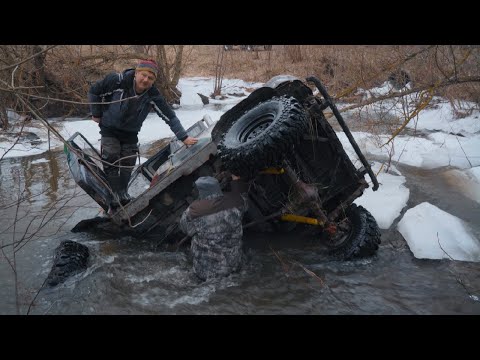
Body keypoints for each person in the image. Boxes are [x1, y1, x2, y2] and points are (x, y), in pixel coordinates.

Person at [88, 59, 197, 212]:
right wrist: (96, 113)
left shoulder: (153, 95)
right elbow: (94, 91)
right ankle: (114, 197)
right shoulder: (117, 81)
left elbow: (170, 116)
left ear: (153, 81)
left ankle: (122, 194)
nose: (145, 80)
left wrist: (184, 137)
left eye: (150, 78)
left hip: (131, 133)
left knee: (128, 161)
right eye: (143, 75)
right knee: (111, 156)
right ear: (136, 73)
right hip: (109, 128)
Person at [179, 174, 248, 281]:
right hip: (234, 266)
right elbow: (245, 200)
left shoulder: (194, 211)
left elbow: (185, 229)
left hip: (206, 272)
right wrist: (235, 182)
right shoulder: (237, 201)